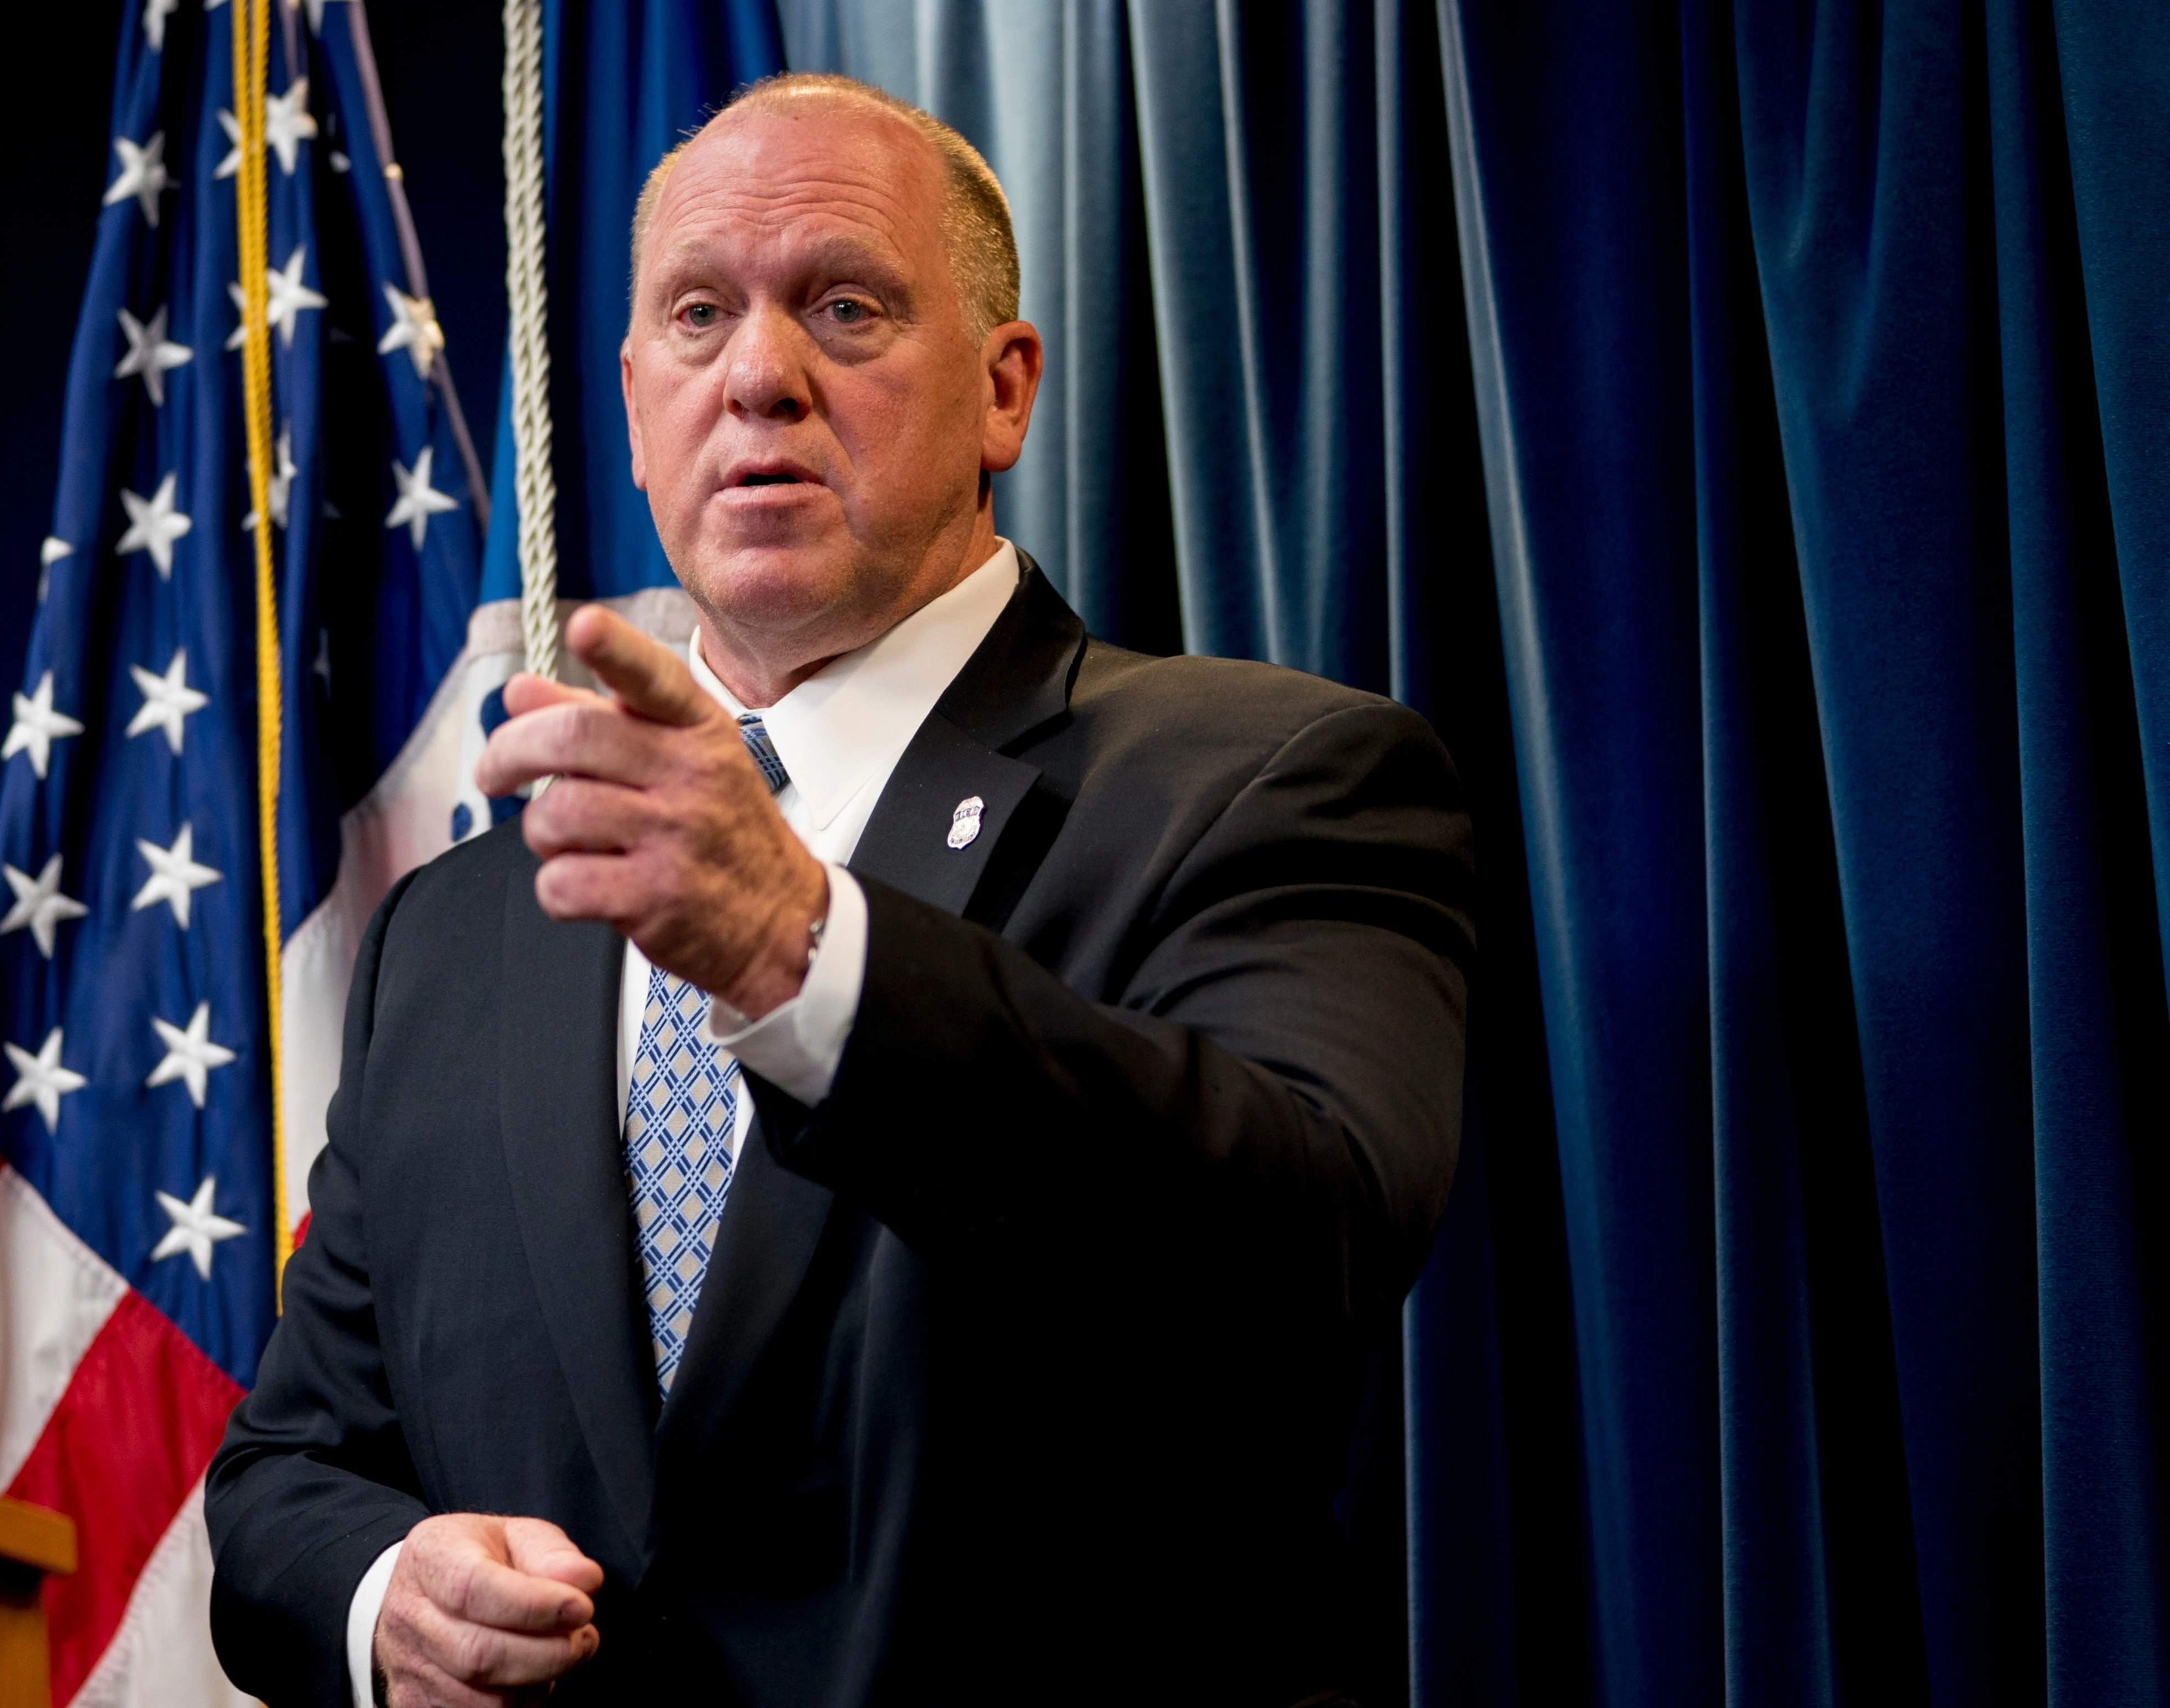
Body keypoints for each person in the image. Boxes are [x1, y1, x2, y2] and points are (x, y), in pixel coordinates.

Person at [206, 72, 1472, 1708]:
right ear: (633, 395)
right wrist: (388, 1600)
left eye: (848, 309)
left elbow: (1303, 1249)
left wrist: (806, 956)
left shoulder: (1273, 778)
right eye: (698, 317)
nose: (759, 378)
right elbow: (284, 1476)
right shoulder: (458, 934)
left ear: (1005, 391)